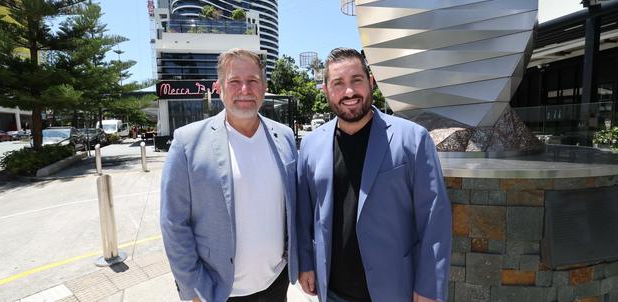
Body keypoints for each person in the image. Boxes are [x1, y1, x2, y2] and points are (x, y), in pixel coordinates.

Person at [296, 48, 452, 302]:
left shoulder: (413, 139)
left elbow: (434, 220)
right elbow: (305, 214)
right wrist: (306, 262)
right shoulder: (311, 145)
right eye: (338, 83)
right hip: (333, 292)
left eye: (356, 80)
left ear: (370, 83)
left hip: (395, 290)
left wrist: (429, 288)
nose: (349, 92)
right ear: (325, 90)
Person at [160, 48, 298, 302]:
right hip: (219, 291)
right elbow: (173, 223)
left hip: (276, 283)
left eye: (253, 81)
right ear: (219, 87)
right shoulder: (187, 142)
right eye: (234, 81)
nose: (244, 89)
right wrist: (193, 288)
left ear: (264, 87)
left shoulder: (285, 136)